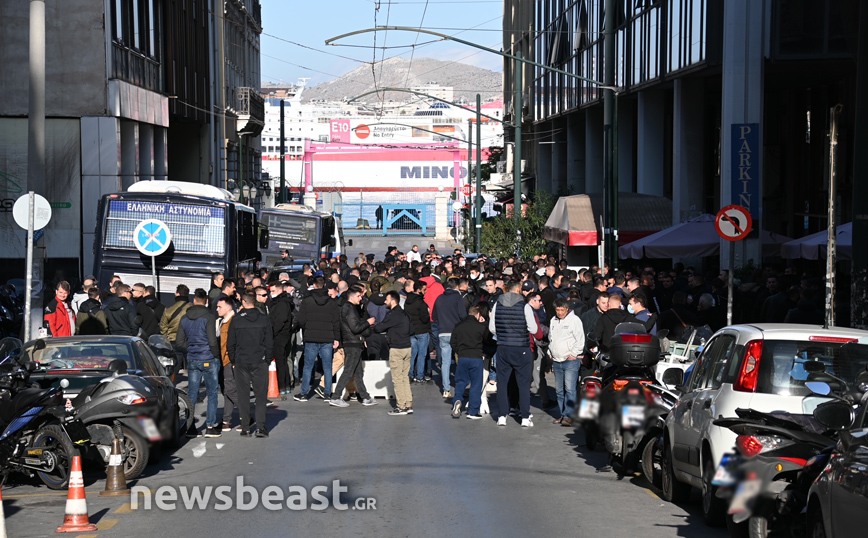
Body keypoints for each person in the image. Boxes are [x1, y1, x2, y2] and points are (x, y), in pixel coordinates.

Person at [489, 280, 542, 427]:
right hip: (521, 348)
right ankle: (525, 417)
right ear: (519, 290)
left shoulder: (497, 304)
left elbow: (492, 328)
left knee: (503, 383)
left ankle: (501, 416)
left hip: (503, 347)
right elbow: (533, 328)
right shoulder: (525, 306)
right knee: (523, 384)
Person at [176, 289, 222, 438]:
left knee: (192, 394)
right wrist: (215, 355)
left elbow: (179, 342)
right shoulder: (208, 317)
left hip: (192, 359)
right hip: (207, 357)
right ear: (206, 301)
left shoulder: (185, 318)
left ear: (194, 300)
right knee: (212, 393)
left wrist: (190, 350)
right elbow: (212, 340)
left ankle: (190, 427)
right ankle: (210, 426)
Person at [227, 292, 274, 438]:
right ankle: (260, 427)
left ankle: (246, 427)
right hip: (259, 360)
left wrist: (234, 360)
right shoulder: (264, 319)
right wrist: (267, 360)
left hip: (242, 361)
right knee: (260, 395)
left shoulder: (236, 320)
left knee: (243, 395)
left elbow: (231, 344)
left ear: (243, 302)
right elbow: (269, 342)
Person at [294, 276, 340, 402]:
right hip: (327, 337)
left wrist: (308, 327)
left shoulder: (307, 301)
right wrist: (336, 337)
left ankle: (304, 393)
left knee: (308, 366)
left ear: (314, 285)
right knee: (327, 366)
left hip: (311, 336)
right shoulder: (332, 302)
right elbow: (336, 322)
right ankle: (327, 393)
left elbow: (301, 319)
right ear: (324, 285)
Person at [331, 287, 378, 408]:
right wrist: (368, 322)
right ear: (351, 297)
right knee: (349, 371)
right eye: (359, 296)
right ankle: (336, 397)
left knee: (358, 372)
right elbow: (355, 328)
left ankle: (365, 397)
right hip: (352, 344)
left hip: (353, 343)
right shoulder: (350, 309)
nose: (361, 298)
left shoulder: (348, 308)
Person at [372, 291, 413, 415]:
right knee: (405, 377)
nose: (385, 302)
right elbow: (412, 329)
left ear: (393, 301)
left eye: (387, 299)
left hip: (397, 348)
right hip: (407, 347)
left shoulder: (392, 314)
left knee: (397, 379)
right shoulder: (405, 314)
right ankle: (408, 403)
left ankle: (401, 406)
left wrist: (372, 326)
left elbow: (380, 328)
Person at [548, 298, 585, 426]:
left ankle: (569, 415)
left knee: (570, 389)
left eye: (562, 310)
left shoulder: (575, 321)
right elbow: (551, 338)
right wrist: (550, 353)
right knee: (559, 390)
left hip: (570, 361)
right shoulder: (553, 320)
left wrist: (573, 354)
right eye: (557, 310)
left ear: (567, 309)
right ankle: (562, 414)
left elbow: (580, 339)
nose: (559, 312)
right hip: (556, 360)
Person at [449, 305, 489, 420]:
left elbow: (453, 342)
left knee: (461, 381)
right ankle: (473, 411)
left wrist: (459, 351)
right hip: (476, 357)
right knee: (476, 384)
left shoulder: (458, 326)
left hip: (462, 357)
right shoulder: (480, 327)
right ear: (478, 314)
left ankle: (457, 399)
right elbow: (487, 340)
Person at [432, 278, 468, 399]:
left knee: (445, 362)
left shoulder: (439, 298)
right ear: (457, 286)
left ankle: (446, 389)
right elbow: (463, 315)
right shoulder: (458, 298)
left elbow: (434, 316)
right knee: (461, 360)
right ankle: (461, 386)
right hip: (457, 333)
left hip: (443, 332)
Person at [215, 297, 239, 431]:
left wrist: (232, 359)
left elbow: (231, 343)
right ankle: (226, 421)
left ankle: (247, 416)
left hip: (230, 360)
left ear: (228, 308)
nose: (217, 309)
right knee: (228, 390)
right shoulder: (223, 321)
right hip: (226, 360)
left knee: (230, 389)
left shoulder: (232, 321)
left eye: (220, 307)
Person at [268, 281, 294, 395]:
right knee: (282, 360)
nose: (271, 293)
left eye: (273, 291)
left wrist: (272, 332)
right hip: (282, 334)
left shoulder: (282, 303)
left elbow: (280, 320)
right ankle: (285, 384)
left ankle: (282, 385)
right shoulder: (279, 302)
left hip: (280, 335)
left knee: (280, 361)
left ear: (280, 290)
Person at [160, 284, 191, 377]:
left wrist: (167, 338)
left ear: (177, 294)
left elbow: (163, 326)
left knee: (174, 367)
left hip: (173, 341)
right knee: (192, 367)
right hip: (188, 341)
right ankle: (193, 387)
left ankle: (171, 386)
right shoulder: (191, 308)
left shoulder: (168, 309)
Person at [405, 280, 431, 383]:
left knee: (412, 354)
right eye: (424, 289)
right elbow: (424, 319)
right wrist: (428, 313)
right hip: (422, 330)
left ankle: (410, 374)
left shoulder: (408, 301)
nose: (426, 292)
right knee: (422, 354)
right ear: (419, 290)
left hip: (412, 330)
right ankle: (420, 375)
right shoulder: (421, 303)